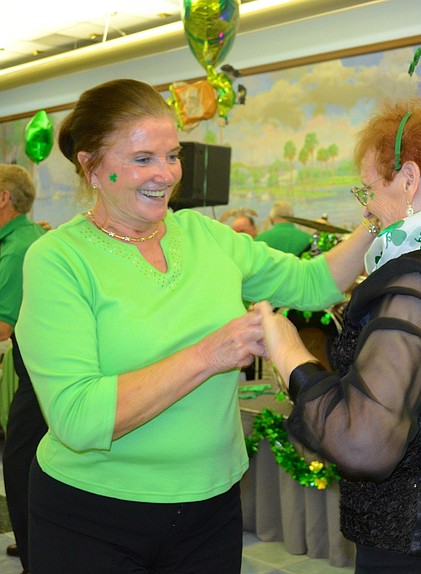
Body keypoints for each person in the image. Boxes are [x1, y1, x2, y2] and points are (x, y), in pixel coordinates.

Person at [14, 78, 372, 573]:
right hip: (93, 515)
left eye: (172, 155)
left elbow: (316, 283)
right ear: (91, 166)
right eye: (143, 159)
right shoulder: (58, 259)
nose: (165, 174)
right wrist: (211, 354)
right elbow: (77, 417)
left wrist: (377, 216)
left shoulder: (205, 235)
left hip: (210, 507)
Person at [257, 97, 421, 574]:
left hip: (413, 534)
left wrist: (292, 357)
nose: (368, 209)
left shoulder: (414, 282)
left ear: (409, 179)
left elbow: (364, 443)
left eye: (369, 191)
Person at [0, 164, 47, 574]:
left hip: (40, 372)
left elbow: (4, 322)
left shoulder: (16, 248)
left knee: (17, 462)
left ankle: (36, 554)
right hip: (39, 365)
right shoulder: (28, 235)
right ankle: (36, 542)